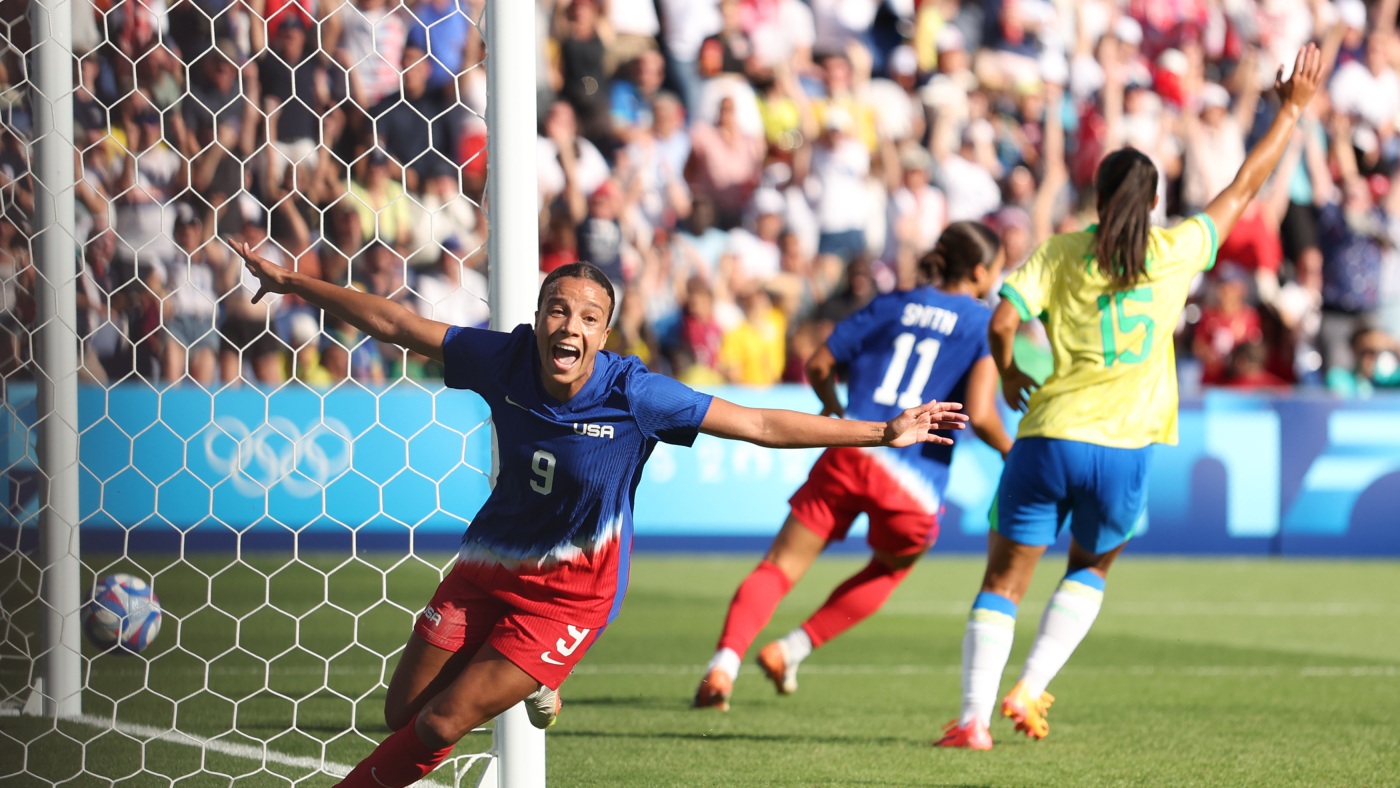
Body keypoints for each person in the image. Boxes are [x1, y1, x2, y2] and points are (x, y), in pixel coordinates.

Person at [229, 247, 970, 788]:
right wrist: (291, 283)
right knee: (403, 715)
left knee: (442, 724)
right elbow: (396, 324)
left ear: (605, 335)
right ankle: (537, 684)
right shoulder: (506, 360)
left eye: (588, 317)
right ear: (539, 316)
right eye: (559, 309)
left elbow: (761, 426)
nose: (570, 325)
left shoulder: (636, 395)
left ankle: (535, 675)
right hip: (486, 569)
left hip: (568, 601)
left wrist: (882, 430)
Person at [935, 44, 1325, 751]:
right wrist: (1291, 111)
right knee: (1089, 569)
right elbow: (1243, 186)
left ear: (1094, 192)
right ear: (1153, 202)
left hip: (1049, 433)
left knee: (1004, 579)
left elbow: (1002, 318)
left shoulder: (1058, 252)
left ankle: (972, 721)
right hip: (1125, 446)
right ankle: (1032, 685)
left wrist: (1010, 369)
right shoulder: (1175, 251)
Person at [693, 221, 1015, 711]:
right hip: (916, 479)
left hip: (854, 448)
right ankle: (791, 649)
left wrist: (833, 410)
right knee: (889, 569)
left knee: (779, 566)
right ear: (979, 270)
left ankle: (723, 666)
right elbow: (983, 412)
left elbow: (819, 364)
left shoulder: (892, 303)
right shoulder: (980, 323)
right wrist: (1014, 453)